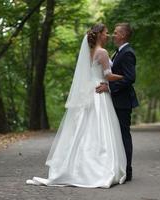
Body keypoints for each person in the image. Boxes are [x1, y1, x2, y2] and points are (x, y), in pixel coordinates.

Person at [26, 23, 127, 188]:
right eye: (106, 32)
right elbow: (108, 75)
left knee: (85, 129)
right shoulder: (102, 52)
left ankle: (77, 166)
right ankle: (98, 168)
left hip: (90, 91)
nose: (108, 35)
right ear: (100, 34)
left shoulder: (88, 52)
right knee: (98, 129)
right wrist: (124, 78)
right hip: (100, 92)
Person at [96, 22, 139, 182]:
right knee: (117, 135)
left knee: (124, 135)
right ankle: (119, 167)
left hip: (122, 101)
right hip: (115, 100)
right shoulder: (119, 52)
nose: (113, 35)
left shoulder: (127, 53)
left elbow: (130, 78)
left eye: (115, 32)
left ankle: (127, 170)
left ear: (123, 35)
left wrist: (109, 87)